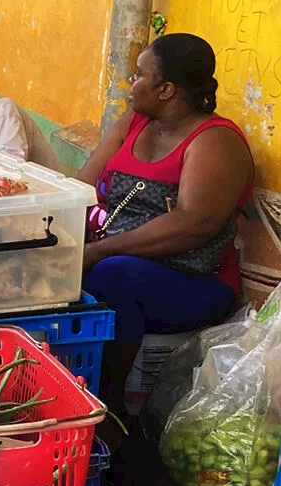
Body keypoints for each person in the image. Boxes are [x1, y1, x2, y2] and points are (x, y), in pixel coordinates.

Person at [77, 33, 252, 427]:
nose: (130, 84)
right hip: (116, 260)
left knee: (111, 274)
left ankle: (109, 409)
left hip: (194, 281)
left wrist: (98, 251)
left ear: (166, 89)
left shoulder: (215, 140)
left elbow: (194, 224)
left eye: (139, 75)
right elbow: (83, 186)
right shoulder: (134, 122)